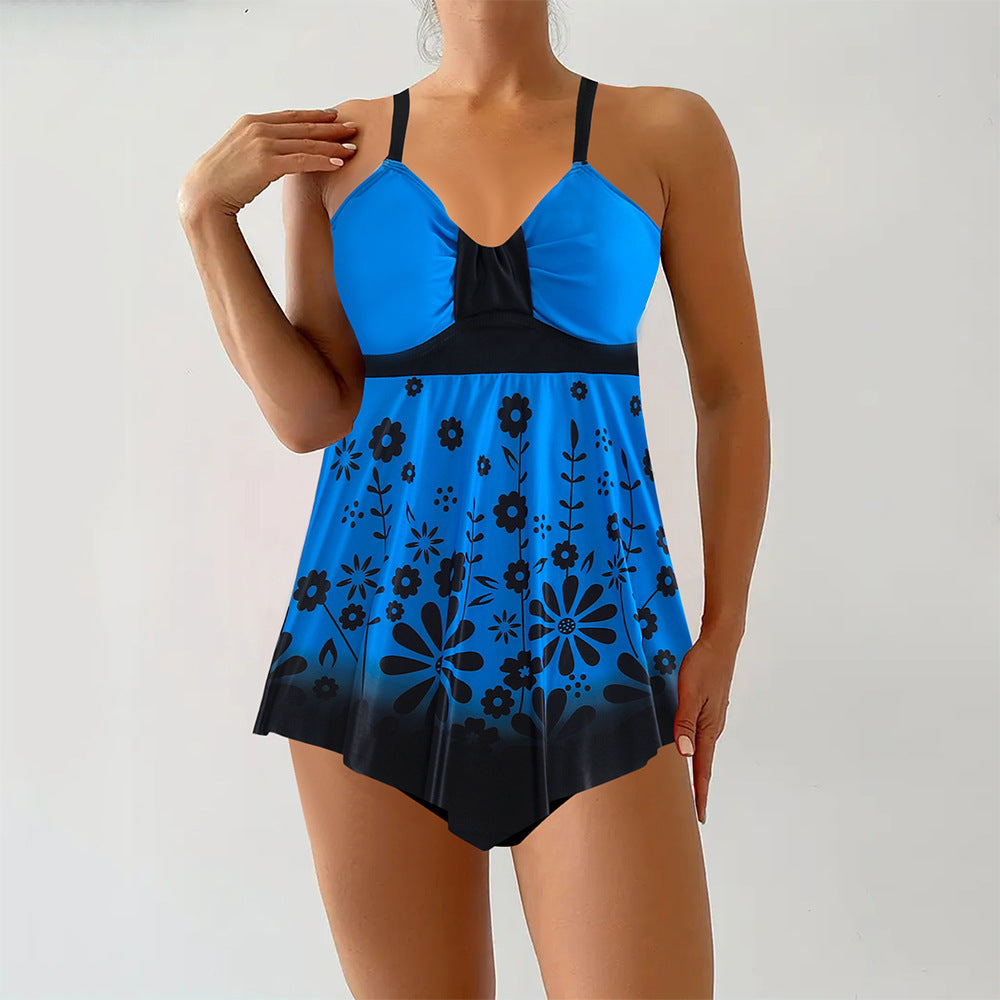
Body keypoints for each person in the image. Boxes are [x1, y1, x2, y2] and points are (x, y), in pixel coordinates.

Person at [178, 1, 769, 995]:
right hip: (377, 644)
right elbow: (311, 415)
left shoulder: (668, 130)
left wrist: (725, 627)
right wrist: (205, 216)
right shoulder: (339, 148)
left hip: (596, 643)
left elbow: (730, 393)